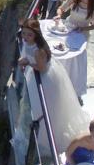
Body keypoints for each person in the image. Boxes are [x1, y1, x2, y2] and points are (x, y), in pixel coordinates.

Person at [19, 19, 89, 148]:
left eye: (29, 34)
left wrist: (28, 62)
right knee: (35, 103)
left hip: (45, 78)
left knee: (46, 106)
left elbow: (42, 68)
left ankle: (47, 137)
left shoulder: (38, 50)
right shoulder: (29, 43)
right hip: (37, 73)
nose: (25, 37)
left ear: (36, 34)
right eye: (24, 33)